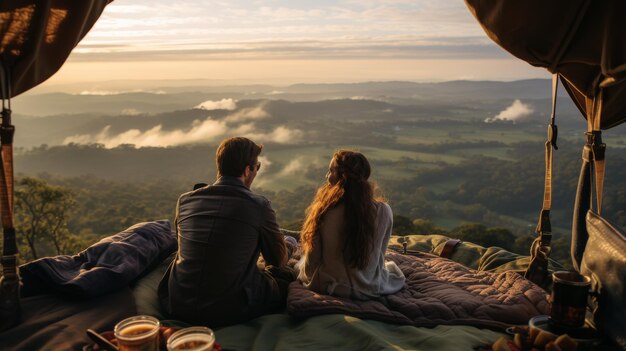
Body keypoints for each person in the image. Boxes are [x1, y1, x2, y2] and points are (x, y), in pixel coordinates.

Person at [158, 137, 295, 327]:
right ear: (248, 170)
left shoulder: (185, 200)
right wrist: (288, 245)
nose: (256, 171)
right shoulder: (258, 205)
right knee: (286, 276)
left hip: (177, 302)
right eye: (258, 166)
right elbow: (277, 261)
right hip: (232, 309)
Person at [297, 150, 405, 299]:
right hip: (369, 288)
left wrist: (301, 270)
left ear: (341, 177)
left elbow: (311, 265)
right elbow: (379, 257)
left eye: (330, 171)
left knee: (299, 264)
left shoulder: (324, 211)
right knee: (392, 268)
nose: (326, 176)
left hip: (329, 287)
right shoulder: (384, 211)